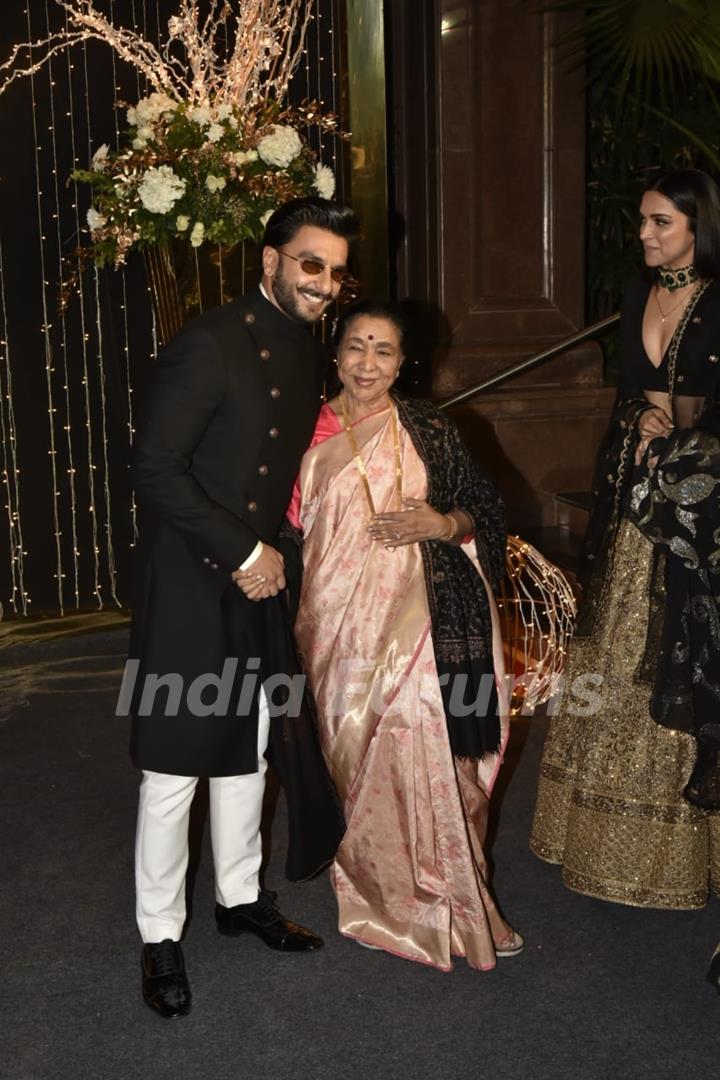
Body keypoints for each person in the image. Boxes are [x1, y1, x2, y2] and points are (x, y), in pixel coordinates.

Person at [128, 196, 358, 1019]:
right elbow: (155, 470)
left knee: (251, 748)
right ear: (269, 260)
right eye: (310, 264)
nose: (324, 284)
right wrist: (245, 551)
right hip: (197, 579)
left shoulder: (307, 350)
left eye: (334, 271)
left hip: (262, 580)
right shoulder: (207, 342)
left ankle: (237, 898)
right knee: (173, 768)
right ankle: (160, 935)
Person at [288, 299, 522, 971]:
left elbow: (486, 508)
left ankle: (463, 899)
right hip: (333, 627)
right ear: (336, 352)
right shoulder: (299, 429)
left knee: (427, 741)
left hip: (424, 619)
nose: (368, 363)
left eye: (384, 351)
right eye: (357, 346)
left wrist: (442, 526)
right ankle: (384, 894)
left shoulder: (428, 427)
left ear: (402, 362)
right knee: (360, 758)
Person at [530, 170, 720, 938]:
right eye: (642, 221)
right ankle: (608, 840)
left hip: (701, 517)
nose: (644, 235)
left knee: (685, 653)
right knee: (616, 650)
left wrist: (678, 433)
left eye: (660, 223)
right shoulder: (635, 295)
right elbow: (630, 395)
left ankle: (686, 854)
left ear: (699, 225)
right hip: (637, 500)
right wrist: (642, 428)